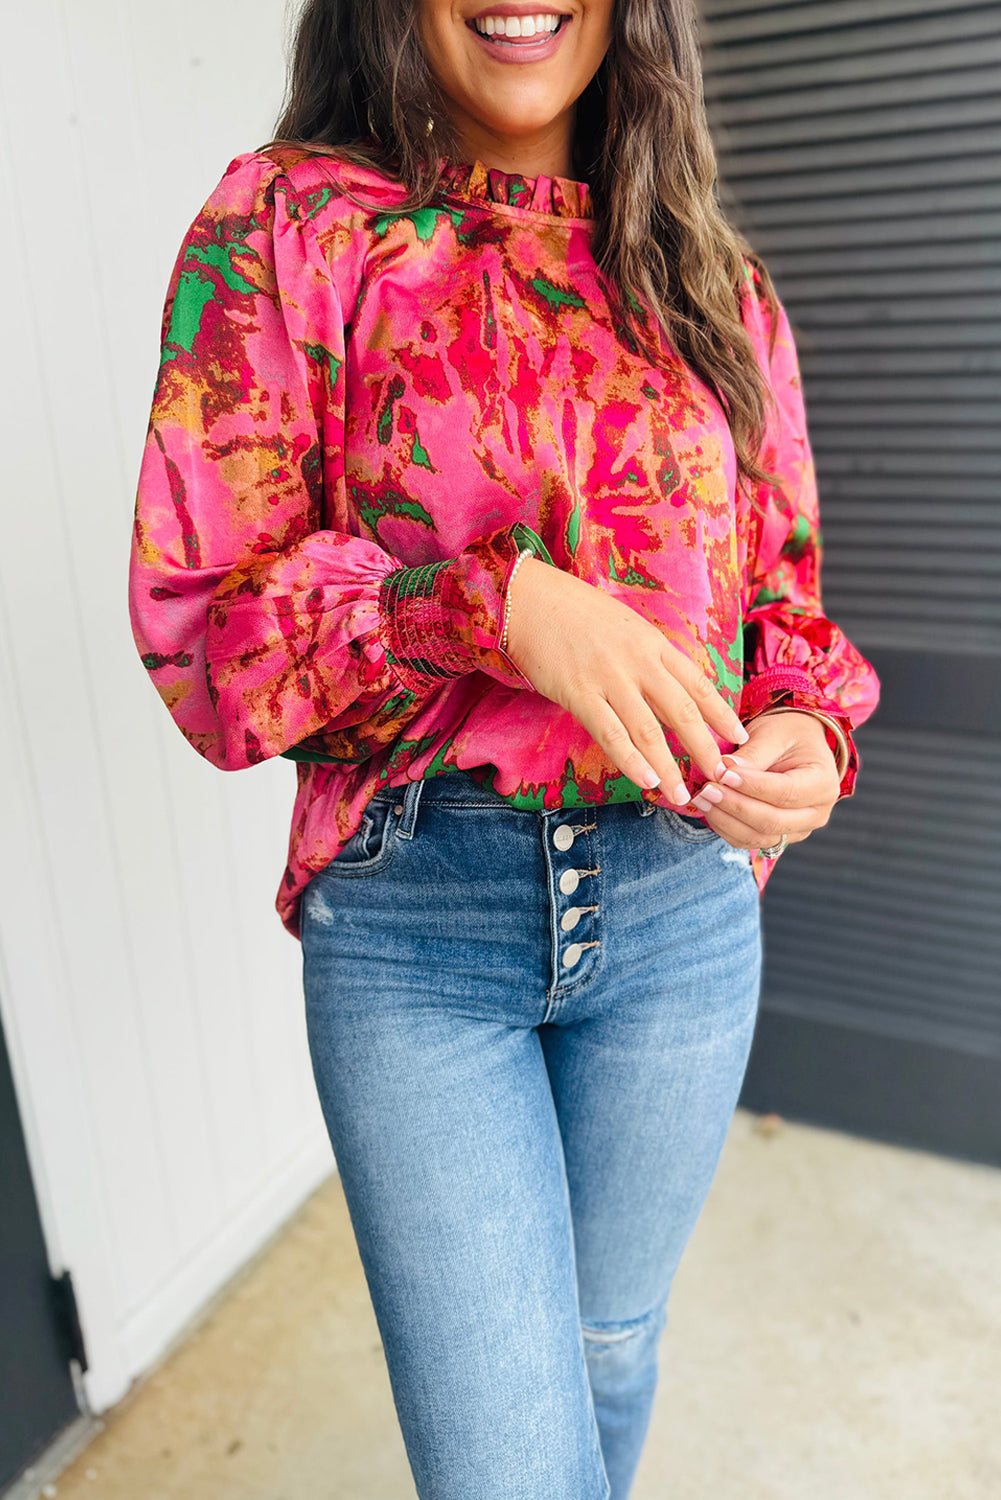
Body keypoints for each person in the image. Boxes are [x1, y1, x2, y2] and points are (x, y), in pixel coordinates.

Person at [128, 0, 880, 1494]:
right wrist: (499, 605)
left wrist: (804, 722)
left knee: (610, 1346)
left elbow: (781, 601)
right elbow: (209, 640)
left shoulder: (715, 282)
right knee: (504, 1464)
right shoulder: (288, 228)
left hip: (684, 911)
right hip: (419, 927)